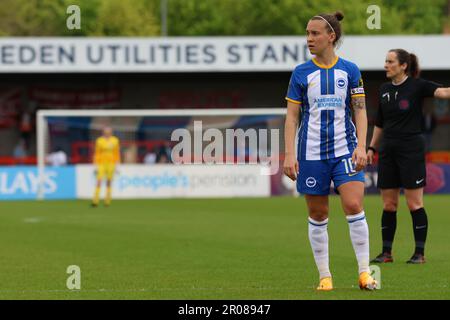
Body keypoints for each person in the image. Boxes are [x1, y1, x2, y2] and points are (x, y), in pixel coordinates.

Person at [283, 11, 377, 291]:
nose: (309, 39)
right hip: (311, 153)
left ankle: (364, 274)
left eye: (315, 34)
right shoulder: (301, 73)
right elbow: (291, 117)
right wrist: (289, 154)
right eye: (308, 33)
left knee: (353, 205)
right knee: (319, 213)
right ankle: (325, 277)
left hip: (345, 149)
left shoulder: (350, 70)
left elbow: (360, 111)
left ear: (331, 37)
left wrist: (361, 145)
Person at [368, 49, 450, 264]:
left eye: (390, 61)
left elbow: (443, 93)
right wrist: (371, 148)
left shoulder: (417, 85)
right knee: (389, 205)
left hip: (411, 150)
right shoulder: (384, 90)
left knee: (414, 204)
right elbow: (379, 123)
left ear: (403, 65)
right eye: (385, 61)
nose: (386, 65)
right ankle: (386, 253)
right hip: (387, 151)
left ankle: (419, 253)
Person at [92, 126, 121, 207]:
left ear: (111, 132)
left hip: (111, 163)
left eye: (109, 131)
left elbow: (117, 153)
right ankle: (95, 201)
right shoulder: (99, 140)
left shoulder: (115, 140)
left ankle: (107, 201)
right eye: (106, 131)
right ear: (103, 132)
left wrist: (117, 165)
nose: (107, 133)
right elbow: (97, 152)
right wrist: (95, 165)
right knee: (99, 181)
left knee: (109, 182)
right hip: (101, 163)